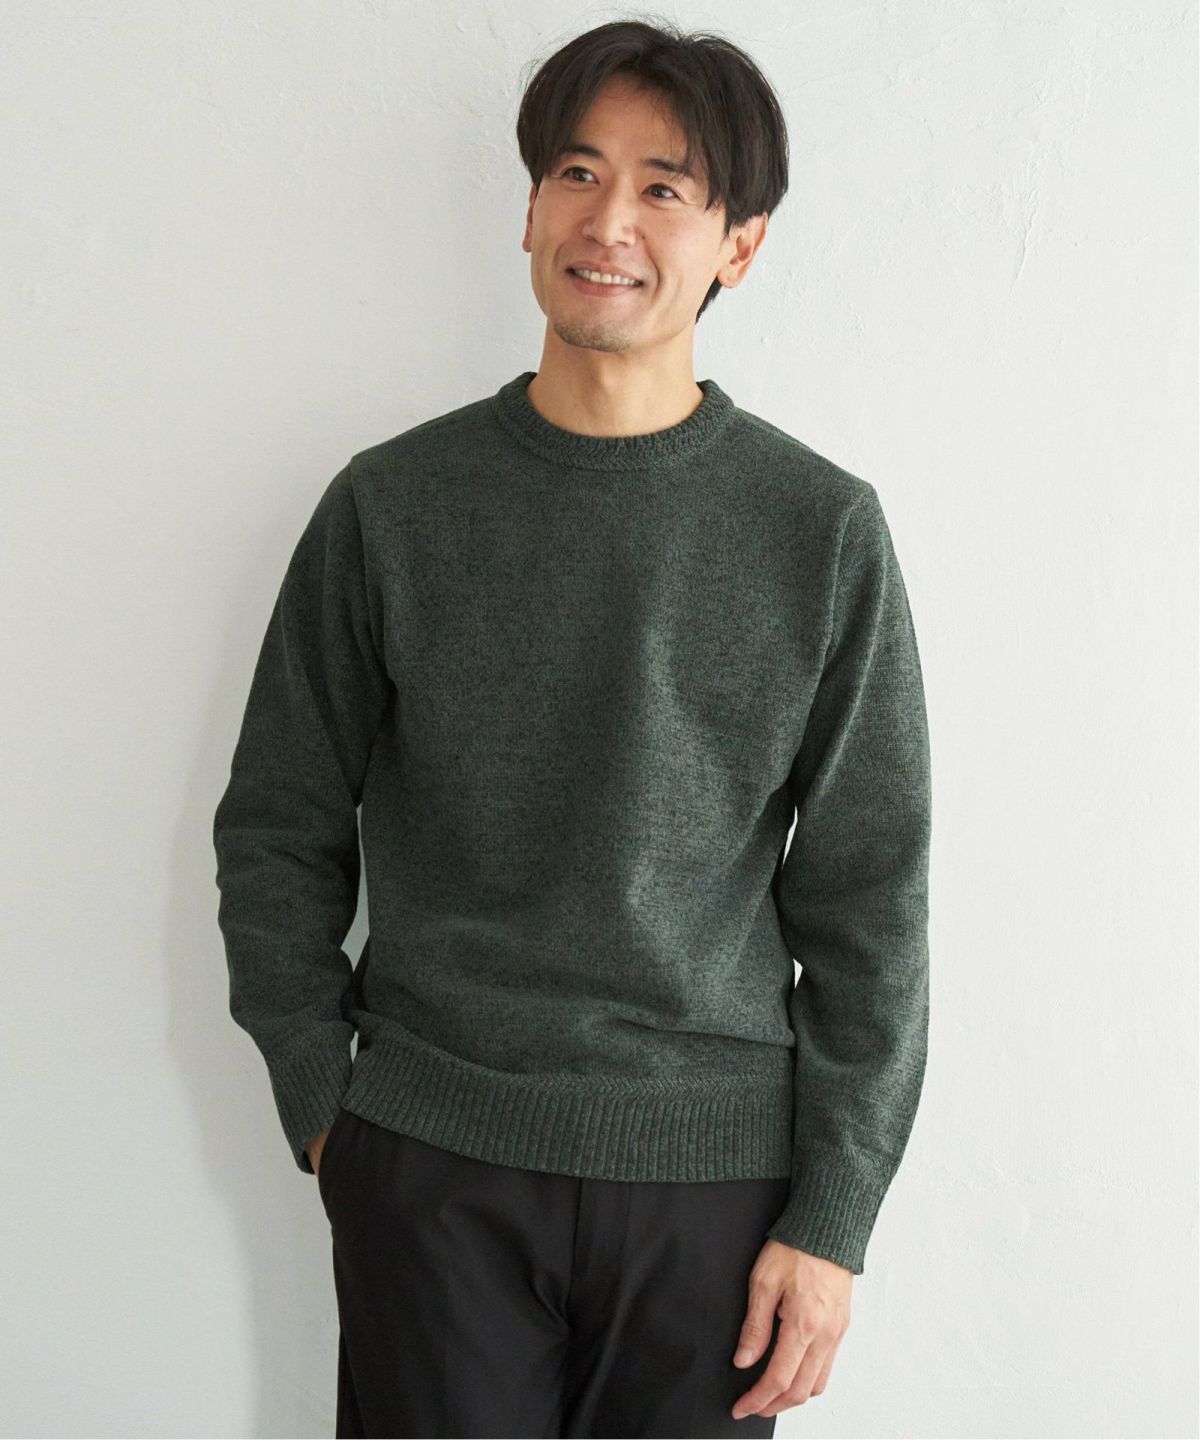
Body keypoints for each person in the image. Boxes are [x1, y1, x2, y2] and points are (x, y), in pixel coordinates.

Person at [212, 18, 932, 1439]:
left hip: (718, 1192)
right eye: (577, 174)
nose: (609, 222)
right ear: (531, 209)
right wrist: (323, 1099)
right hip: (434, 1158)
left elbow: (871, 901)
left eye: (666, 188)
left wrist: (834, 1219)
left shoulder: (820, 531)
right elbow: (277, 823)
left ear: (740, 246)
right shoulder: (390, 507)